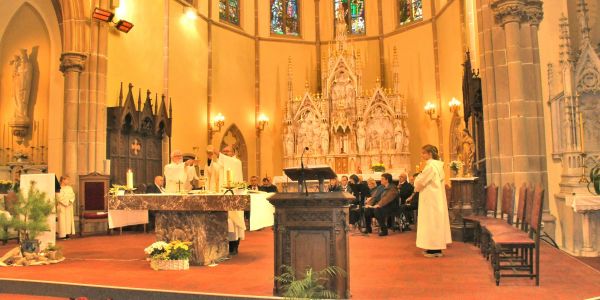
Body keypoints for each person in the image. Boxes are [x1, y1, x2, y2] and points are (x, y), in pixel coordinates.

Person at [414, 144, 452, 257]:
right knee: (435, 222)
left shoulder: (430, 166)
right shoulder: (437, 165)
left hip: (430, 199)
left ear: (430, 154)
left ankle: (434, 249)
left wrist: (416, 180)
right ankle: (435, 248)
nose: (422, 155)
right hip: (435, 198)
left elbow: (420, 181)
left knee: (431, 222)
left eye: (423, 153)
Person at [215, 146, 246, 256]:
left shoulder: (236, 162)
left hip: (234, 194)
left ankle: (234, 246)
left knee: (235, 221)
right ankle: (225, 245)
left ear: (233, 152)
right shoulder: (222, 164)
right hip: (223, 194)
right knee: (226, 221)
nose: (225, 153)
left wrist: (218, 154)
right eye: (224, 151)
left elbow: (228, 162)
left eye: (227, 151)